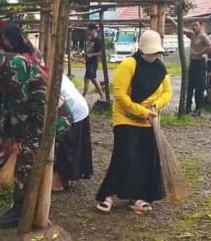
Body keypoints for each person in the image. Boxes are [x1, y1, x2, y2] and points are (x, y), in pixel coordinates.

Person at [0, 43, 72, 228]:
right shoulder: (4, 69)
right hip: (35, 117)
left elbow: (20, 108)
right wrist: (3, 135)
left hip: (50, 117)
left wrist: (16, 139)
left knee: (25, 160)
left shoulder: (14, 67)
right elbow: (8, 105)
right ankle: (28, 205)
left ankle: (20, 211)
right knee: (26, 158)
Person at [95, 30, 172, 214]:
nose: (153, 56)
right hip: (126, 118)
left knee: (147, 157)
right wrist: (141, 111)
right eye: (150, 52)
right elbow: (120, 95)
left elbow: (167, 92)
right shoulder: (128, 65)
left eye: (156, 53)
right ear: (142, 49)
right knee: (127, 154)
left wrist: (155, 105)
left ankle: (137, 196)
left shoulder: (161, 69)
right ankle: (108, 195)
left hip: (149, 120)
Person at [54, 73, 93, 191]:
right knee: (68, 145)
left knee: (66, 145)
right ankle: (64, 178)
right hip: (77, 106)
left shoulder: (43, 73)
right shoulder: (46, 67)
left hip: (73, 110)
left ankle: (59, 180)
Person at [185, 21, 211, 116]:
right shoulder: (192, 35)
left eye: (196, 25)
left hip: (200, 63)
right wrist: (172, 20)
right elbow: (180, 28)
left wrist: (200, 53)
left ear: (200, 26)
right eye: (192, 25)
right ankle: (188, 107)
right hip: (192, 63)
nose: (194, 27)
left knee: (199, 87)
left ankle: (198, 109)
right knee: (190, 87)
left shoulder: (203, 36)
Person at [82, 24, 105, 97]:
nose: (88, 32)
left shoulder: (98, 40)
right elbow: (86, 49)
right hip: (88, 61)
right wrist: (84, 53)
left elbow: (101, 52)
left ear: (94, 30)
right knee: (92, 79)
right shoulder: (88, 39)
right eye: (88, 30)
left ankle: (83, 96)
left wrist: (92, 55)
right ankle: (101, 94)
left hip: (93, 62)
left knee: (87, 79)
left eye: (90, 30)